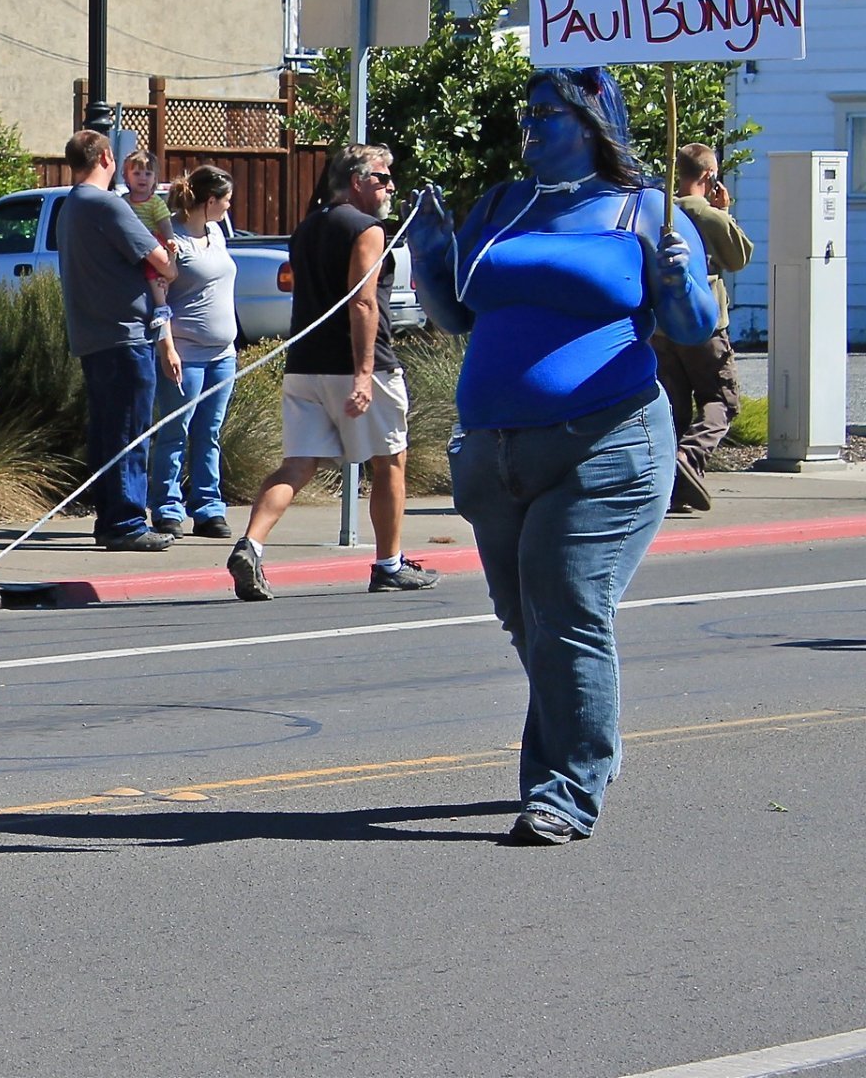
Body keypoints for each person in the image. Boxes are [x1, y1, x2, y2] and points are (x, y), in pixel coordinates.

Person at [403, 65, 718, 846]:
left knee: (567, 604)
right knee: (526, 621)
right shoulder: (503, 207)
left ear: (590, 122)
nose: (531, 126)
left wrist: (678, 281)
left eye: (548, 113)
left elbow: (690, 325)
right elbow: (456, 317)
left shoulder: (644, 210)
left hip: (607, 442)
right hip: (494, 454)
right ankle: (587, 741)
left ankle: (565, 790)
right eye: (529, 113)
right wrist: (433, 256)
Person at [227, 144, 439, 599]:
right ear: (358, 181)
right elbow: (362, 301)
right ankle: (389, 565)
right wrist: (364, 374)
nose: (390, 187)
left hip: (305, 365)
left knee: (298, 464)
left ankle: (251, 545)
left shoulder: (307, 228)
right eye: (383, 179)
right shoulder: (367, 229)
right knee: (390, 462)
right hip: (358, 364)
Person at [55, 130, 178, 551]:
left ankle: (111, 519)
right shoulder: (107, 204)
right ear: (106, 157)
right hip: (124, 335)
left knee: (110, 431)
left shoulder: (70, 205)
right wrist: (171, 258)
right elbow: (162, 262)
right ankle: (126, 522)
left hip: (93, 336)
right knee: (129, 430)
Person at [653, 142, 753, 513]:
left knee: (673, 405)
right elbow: (739, 256)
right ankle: (688, 457)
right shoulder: (706, 214)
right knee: (721, 401)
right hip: (704, 323)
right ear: (709, 176)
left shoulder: (660, 211)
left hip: (661, 327)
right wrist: (724, 212)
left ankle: (670, 487)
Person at [148, 166, 239, 539]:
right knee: (175, 431)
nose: (229, 206)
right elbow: (158, 293)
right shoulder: (173, 238)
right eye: (226, 200)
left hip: (222, 354)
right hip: (185, 353)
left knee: (209, 432)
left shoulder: (216, 233)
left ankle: (207, 507)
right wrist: (166, 343)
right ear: (210, 201)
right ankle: (167, 507)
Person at [121, 147, 172, 237]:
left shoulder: (155, 203)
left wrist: (170, 239)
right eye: (137, 173)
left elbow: (165, 224)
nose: (143, 178)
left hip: (151, 241)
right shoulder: (124, 201)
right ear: (126, 177)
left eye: (148, 174)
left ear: (155, 179)